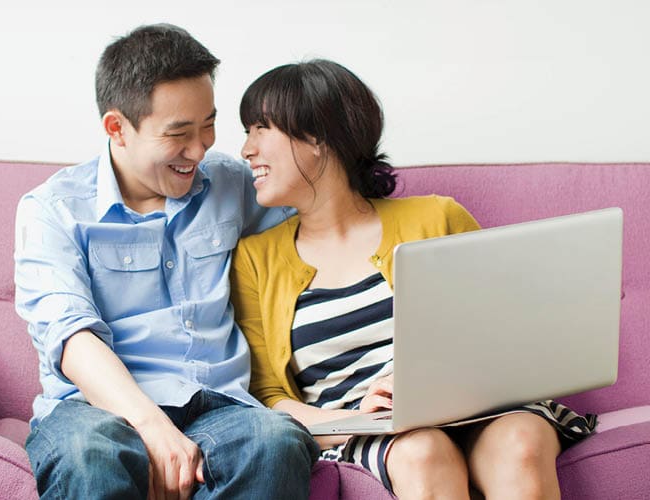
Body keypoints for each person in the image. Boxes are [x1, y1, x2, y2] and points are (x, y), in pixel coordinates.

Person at [230, 59, 596, 499]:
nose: (246, 150)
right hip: (366, 429)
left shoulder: (437, 216)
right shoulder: (255, 258)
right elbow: (268, 393)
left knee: (519, 440)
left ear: (317, 138)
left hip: (478, 408)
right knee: (422, 451)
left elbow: (502, 333)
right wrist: (363, 420)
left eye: (259, 129)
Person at [14, 24, 318, 500]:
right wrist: (151, 426)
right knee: (88, 455)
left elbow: (322, 228)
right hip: (94, 411)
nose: (200, 149)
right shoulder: (52, 209)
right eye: (178, 133)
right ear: (117, 128)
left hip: (220, 405)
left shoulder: (233, 184)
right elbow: (70, 336)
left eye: (208, 125)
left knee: (273, 440)